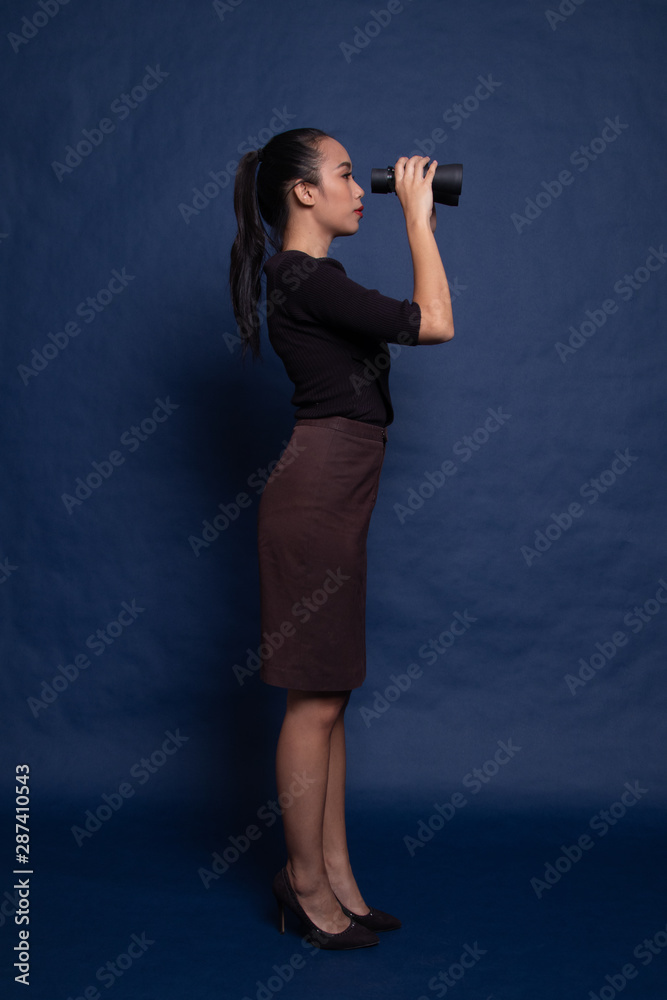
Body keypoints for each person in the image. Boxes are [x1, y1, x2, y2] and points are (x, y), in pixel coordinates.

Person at [229, 128, 454, 950]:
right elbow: (433, 323)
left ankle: (337, 877)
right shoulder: (301, 275)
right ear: (303, 192)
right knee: (314, 698)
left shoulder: (315, 278)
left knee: (331, 695)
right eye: (347, 175)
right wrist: (417, 219)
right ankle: (303, 883)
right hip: (317, 497)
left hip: (336, 492)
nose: (363, 190)